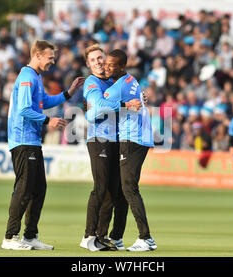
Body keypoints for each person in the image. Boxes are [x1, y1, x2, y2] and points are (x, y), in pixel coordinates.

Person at [1, 40, 85, 250]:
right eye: (50, 57)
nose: (53, 61)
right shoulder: (28, 77)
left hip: (31, 140)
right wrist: (49, 121)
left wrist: (68, 92)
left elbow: (44, 102)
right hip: (22, 140)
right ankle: (10, 238)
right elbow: (24, 110)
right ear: (37, 55)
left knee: (38, 189)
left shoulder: (35, 76)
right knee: (24, 188)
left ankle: (30, 236)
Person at [87, 49, 157, 251]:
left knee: (128, 188)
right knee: (122, 190)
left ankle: (146, 238)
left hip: (131, 138)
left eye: (111, 65)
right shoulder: (132, 81)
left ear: (122, 67)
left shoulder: (117, 87)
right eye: (105, 64)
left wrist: (90, 107)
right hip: (139, 137)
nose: (106, 68)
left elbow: (93, 114)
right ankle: (116, 237)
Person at [80, 44, 141, 251]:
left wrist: (138, 100)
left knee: (113, 192)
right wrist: (125, 106)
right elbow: (96, 110)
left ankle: (101, 236)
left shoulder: (113, 82)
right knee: (101, 188)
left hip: (117, 139)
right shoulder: (92, 82)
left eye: (100, 58)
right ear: (88, 65)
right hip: (99, 139)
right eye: (94, 60)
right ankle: (88, 235)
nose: (98, 62)